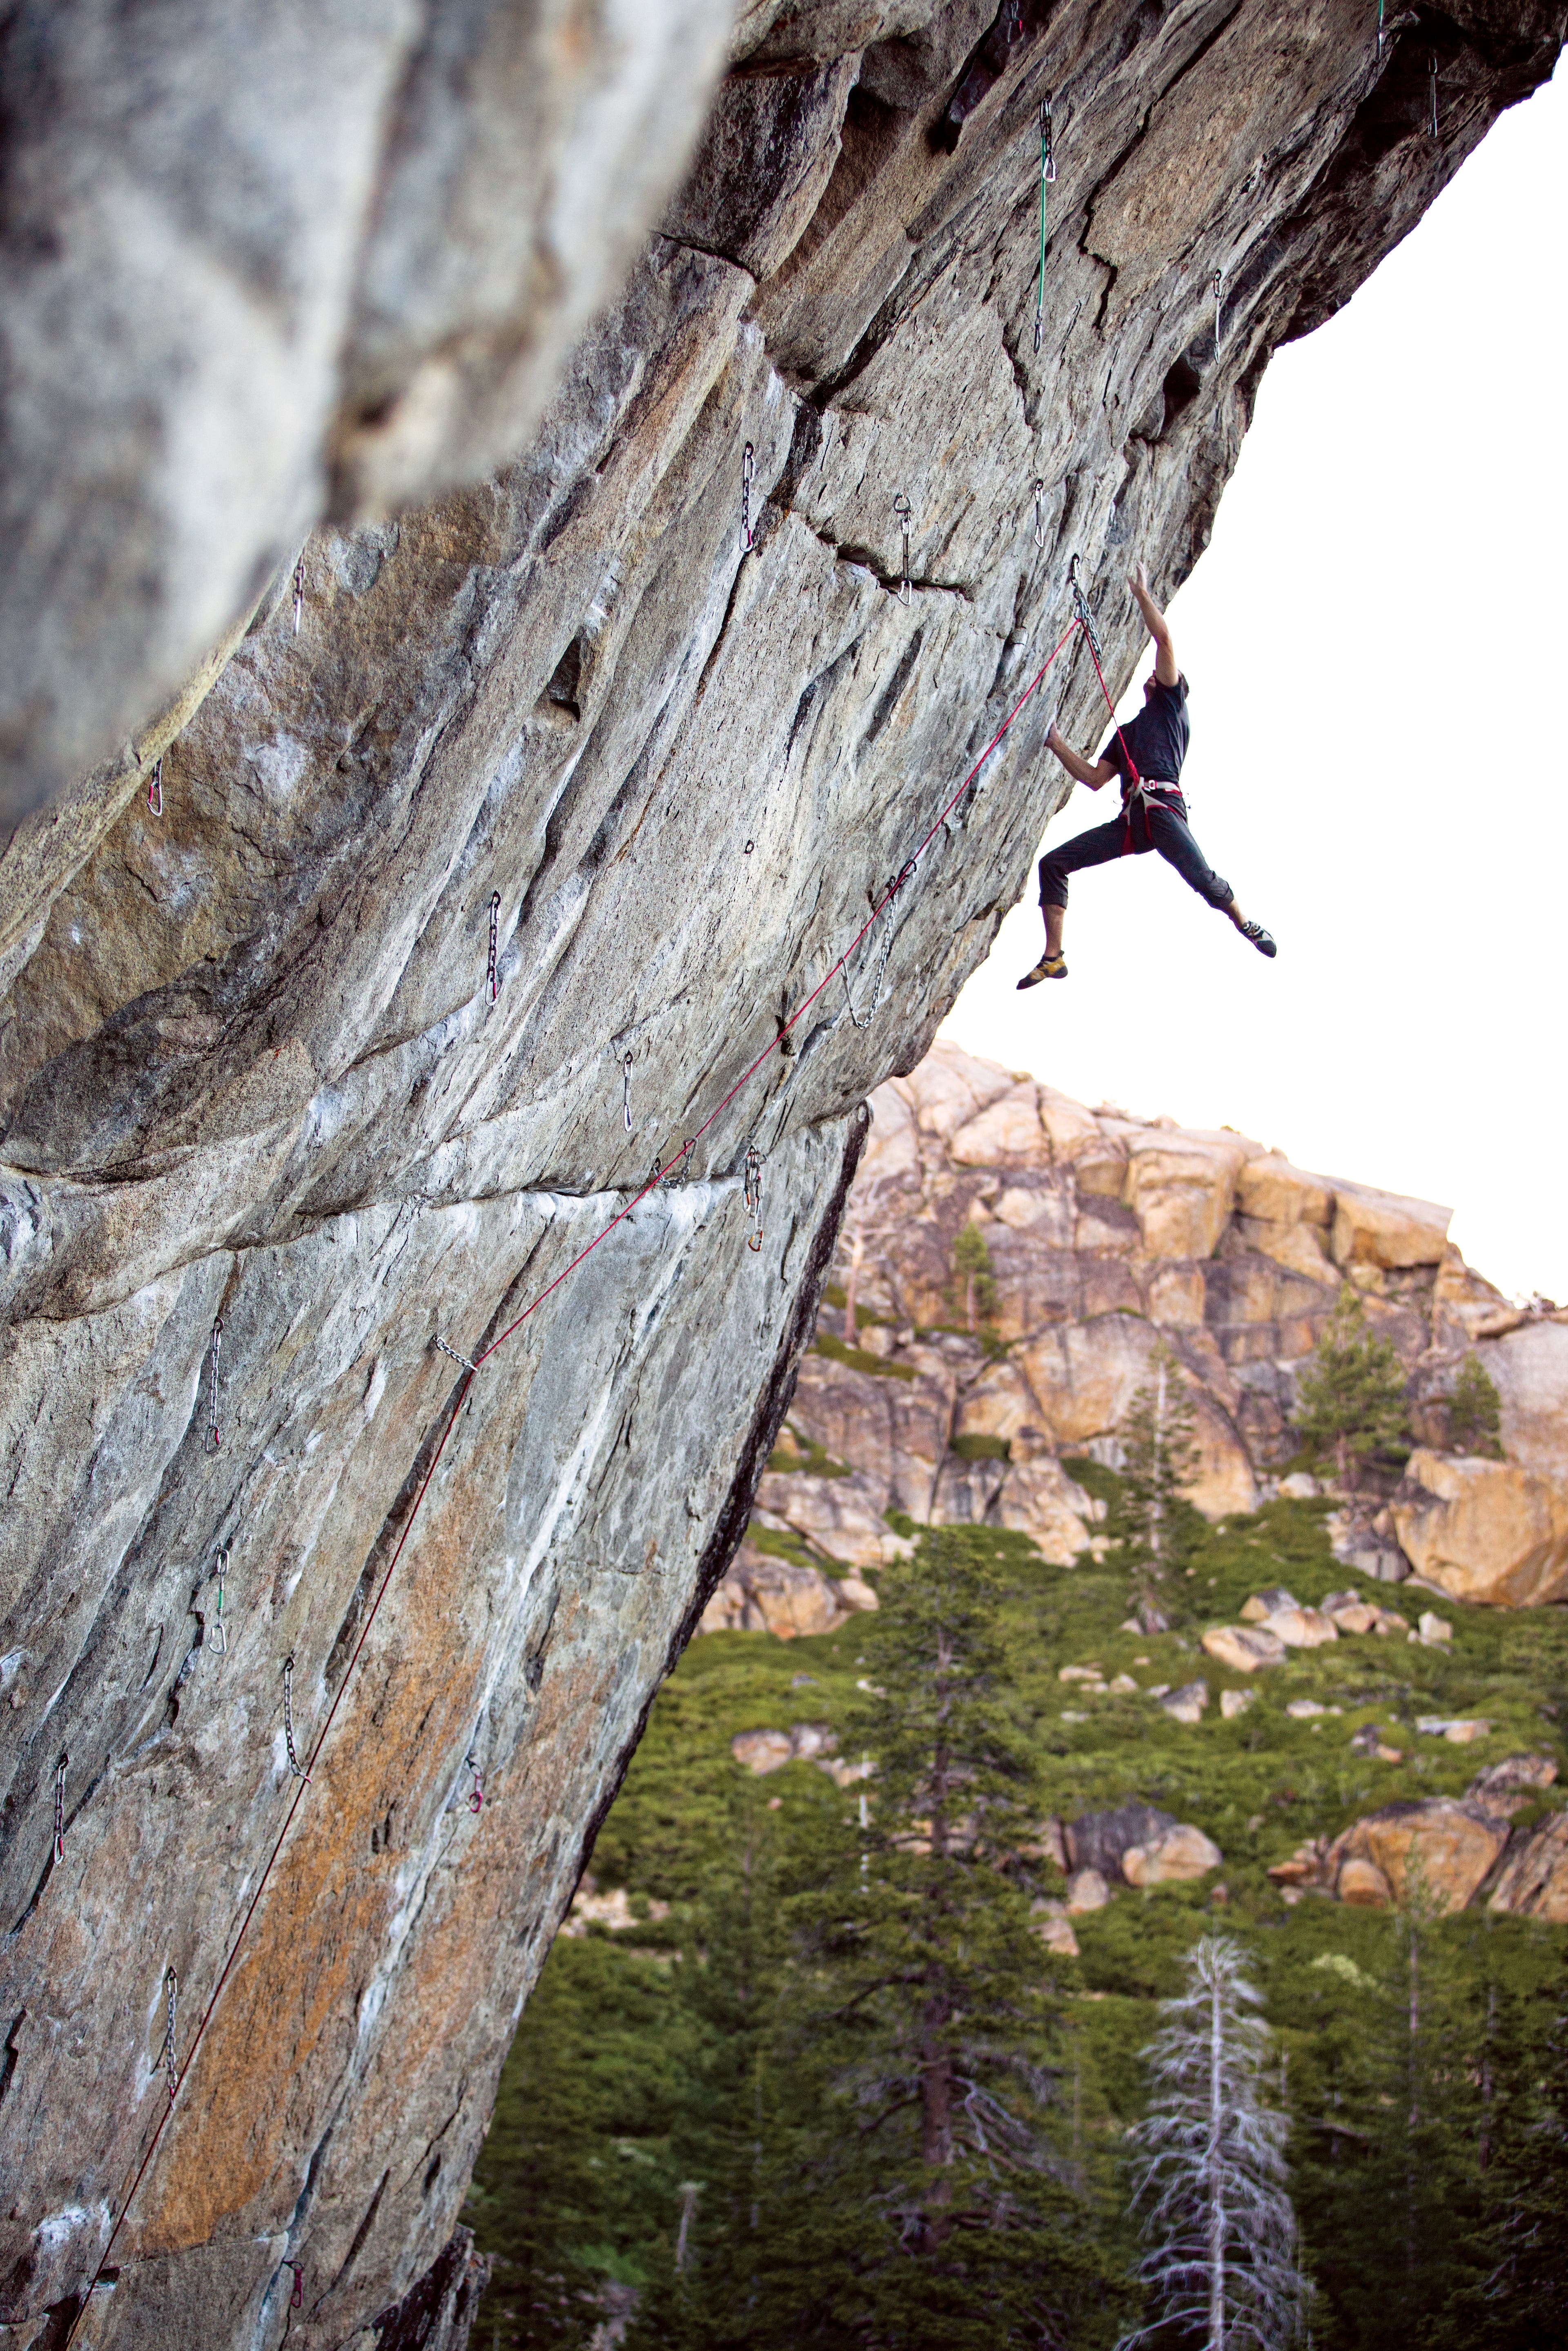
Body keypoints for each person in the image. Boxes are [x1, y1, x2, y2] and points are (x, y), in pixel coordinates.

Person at [1018, 564, 1276, 985]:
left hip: (1163, 811)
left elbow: (1164, 638)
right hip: (1134, 825)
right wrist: (1055, 741)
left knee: (1204, 882)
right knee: (1054, 863)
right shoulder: (1127, 734)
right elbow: (1094, 778)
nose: (1153, 675)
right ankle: (1054, 958)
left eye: (1162, 675)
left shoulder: (1171, 707)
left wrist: (1141, 594)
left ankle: (1245, 923)